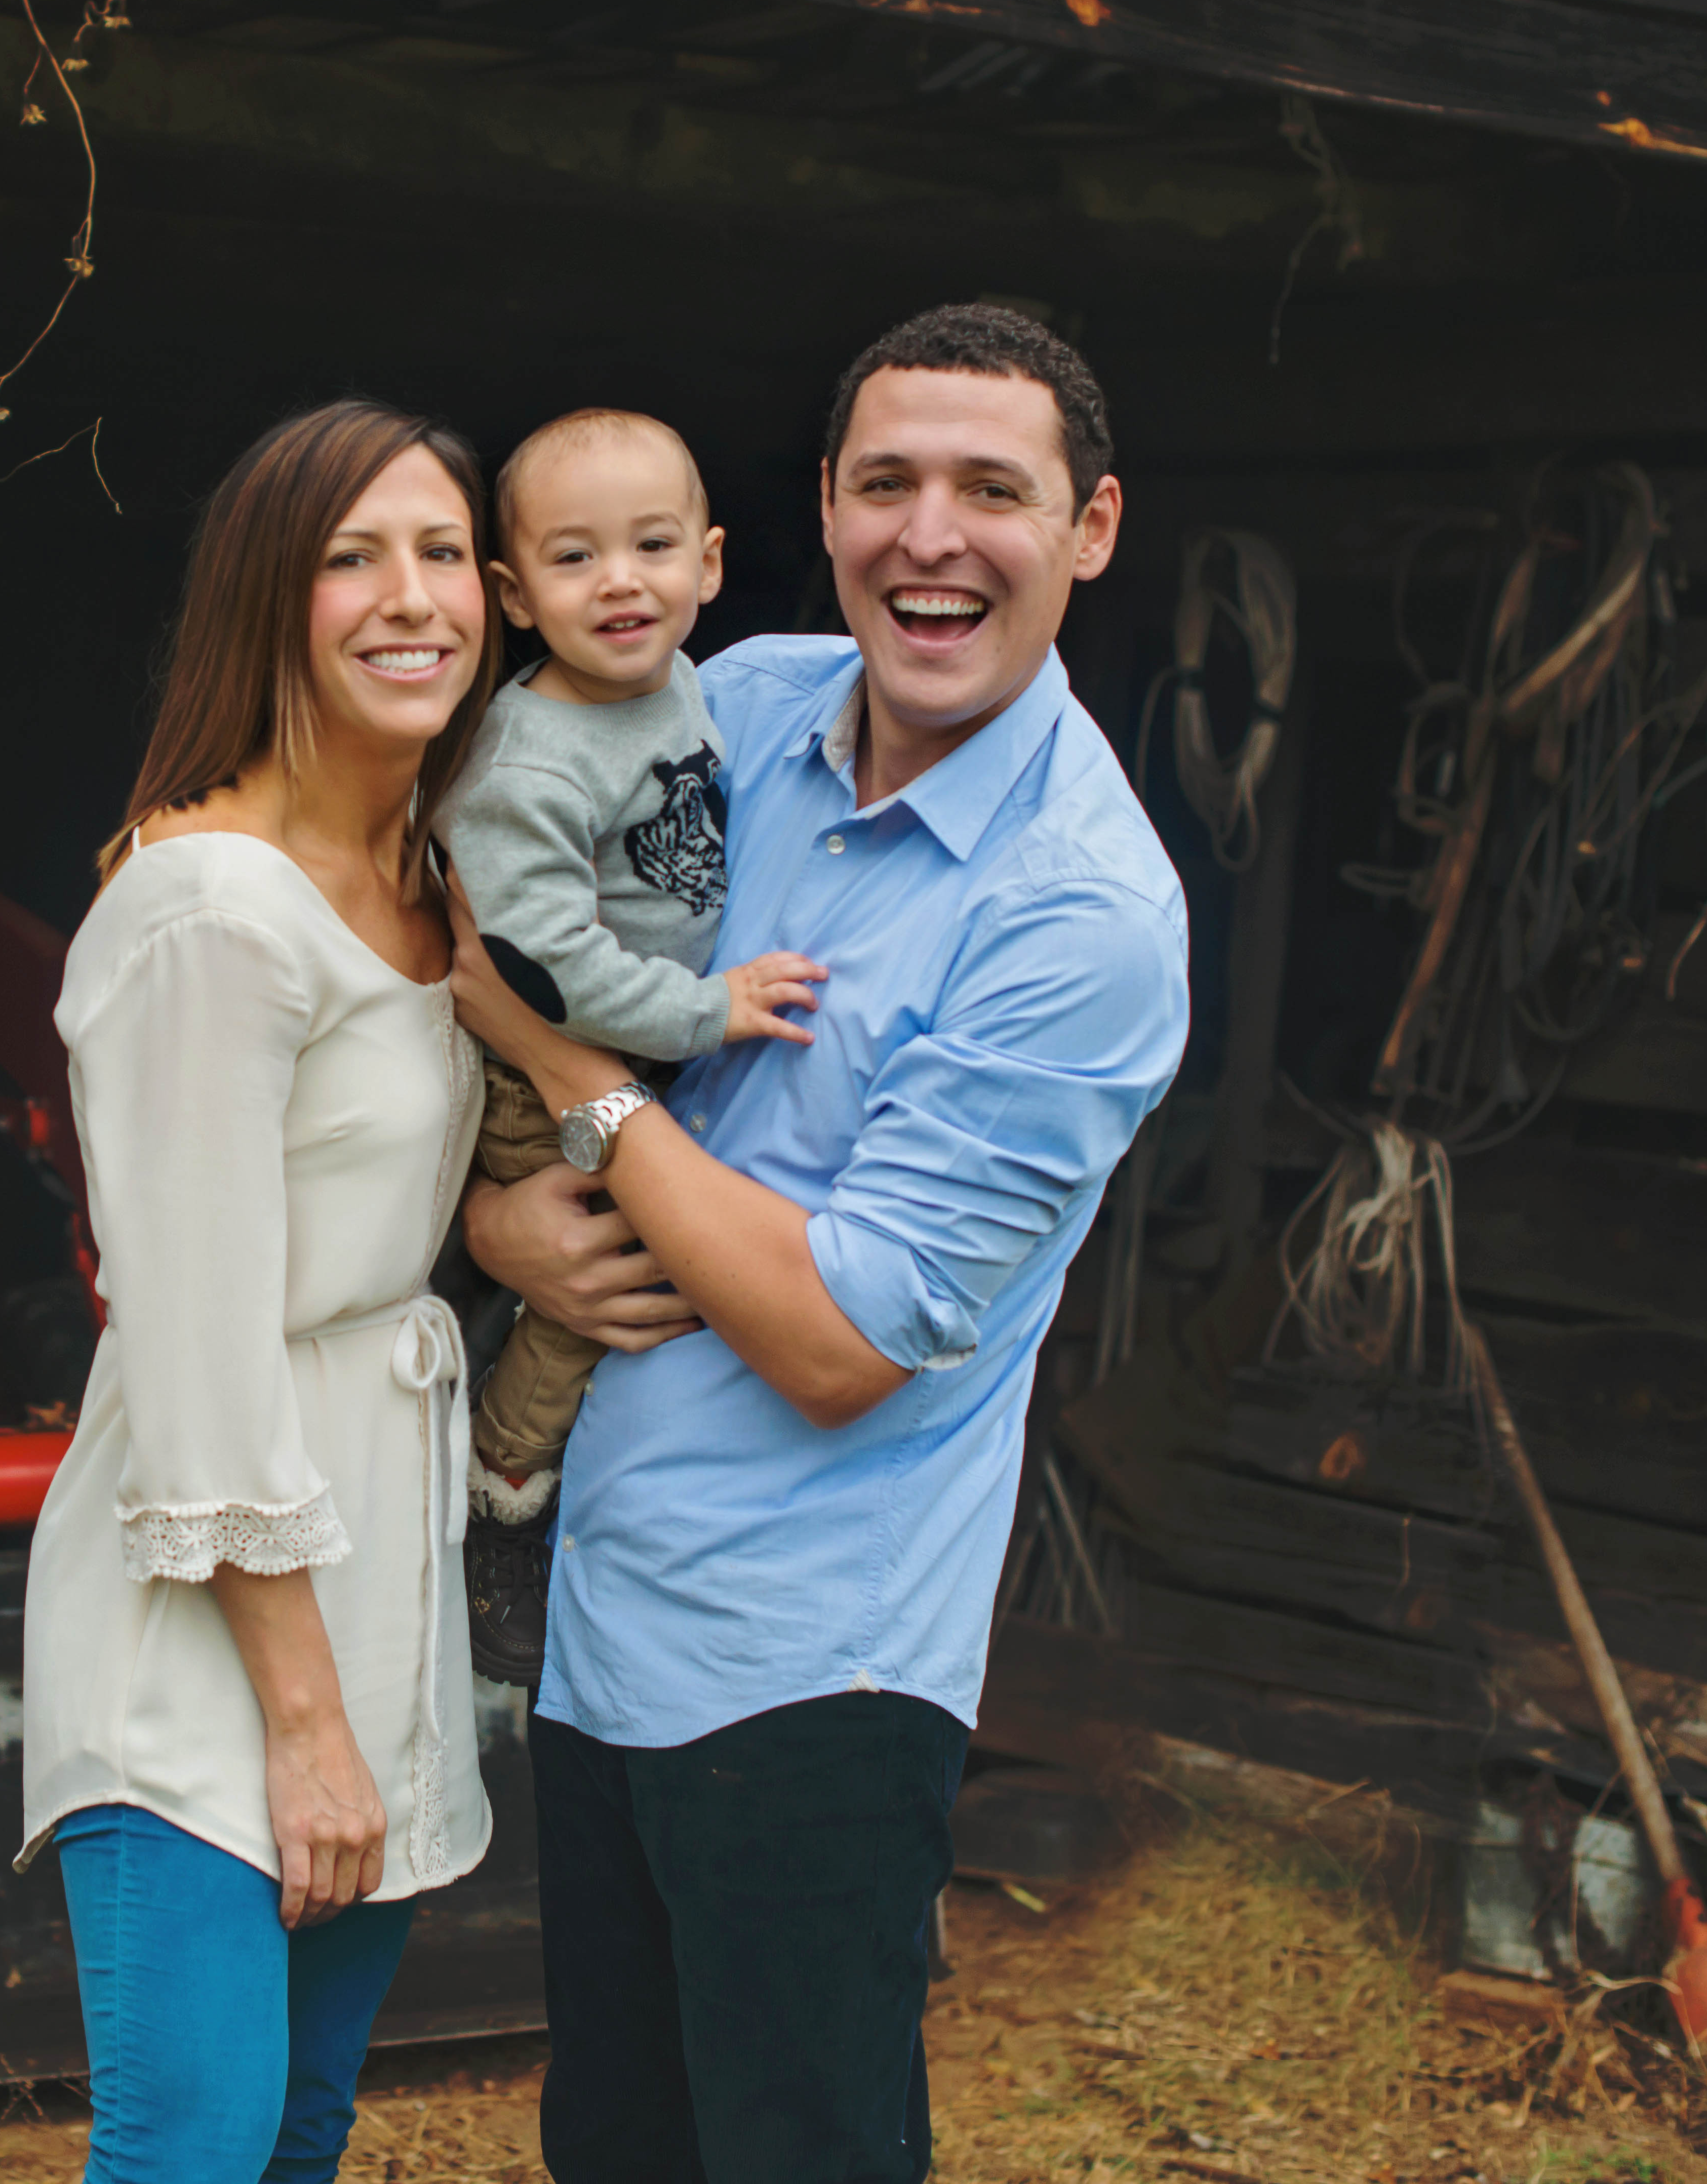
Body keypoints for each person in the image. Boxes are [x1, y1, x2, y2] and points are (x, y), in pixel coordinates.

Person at [450, 306, 1191, 2183]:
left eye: (993, 491)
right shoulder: (742, 703)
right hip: (606, 1617)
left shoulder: (1080, 919)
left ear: (1092, 529)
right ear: (825, 510)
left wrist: (569, 1072)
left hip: (811, 1672)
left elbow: (838, 1338)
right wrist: (494, 1219)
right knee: (615, 2147)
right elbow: (462, 881)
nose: (931, 537)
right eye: (887, 484)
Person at [18, 397, 501, 2183]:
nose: (412, 597)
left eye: (443, 551)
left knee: (298, 2137)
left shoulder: (429, 873)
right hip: (207, 1613)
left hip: (376, 1572)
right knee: (196, 2148)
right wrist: (308, 1726)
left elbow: (386, 1187)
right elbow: (199, 1351)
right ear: (263, 601)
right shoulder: (210, 908)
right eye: (351, 558)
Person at [433, 408, 823, 1686]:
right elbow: (537, 962)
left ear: (707, 564)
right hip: (535, 1066)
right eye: (574, 557)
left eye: (652, 546)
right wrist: (709, 1010)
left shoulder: (688, 684)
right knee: (610, 1271)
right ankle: (501, 1485)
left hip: (632, 1055)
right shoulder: (529, 760)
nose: (620, 582)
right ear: (514, 596)